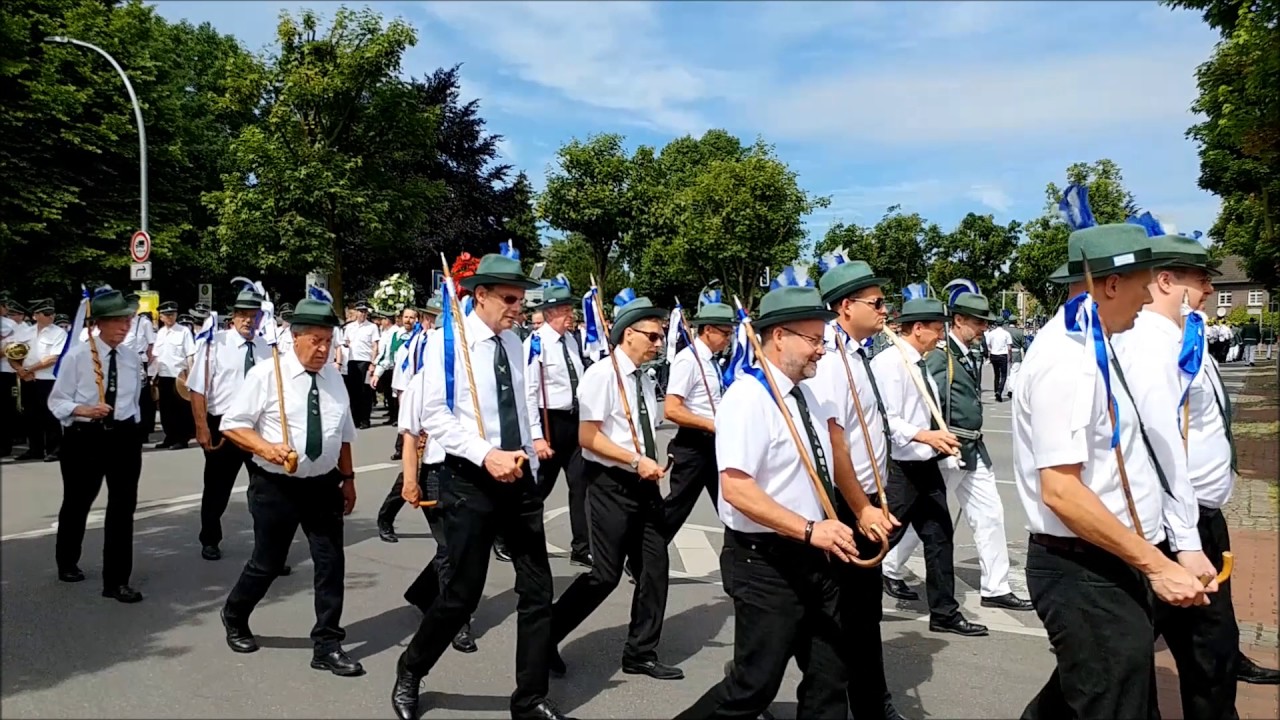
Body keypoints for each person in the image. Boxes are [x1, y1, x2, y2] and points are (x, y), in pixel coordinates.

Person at [1017, 222, 1212, 718]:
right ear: (1110, 284)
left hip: (1110, 560)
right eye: (1144, 283)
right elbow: (1061, 491)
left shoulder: (1098, 347)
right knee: (1116, 703)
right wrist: (1157, 563)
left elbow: (1139, 456)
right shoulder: (1066, 359)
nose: (1149, 298)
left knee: (1089, 699)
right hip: (1084, 570)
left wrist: (1173, 544)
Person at [677, 282, 877, 719]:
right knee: (753, 686)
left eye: (823, 341)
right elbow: (736, 488)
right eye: (813, 340)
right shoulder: (748, 398)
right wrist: (809, 529)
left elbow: (834, 458)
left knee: (830, 676)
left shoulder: (807, 394)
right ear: (779, 336)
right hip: (766, 562)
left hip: (818, 556)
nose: (821, 350)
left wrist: (861, 508)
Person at [392, 249, 571, 720]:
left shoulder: (515, 343)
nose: (519, 308)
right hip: (469, 479)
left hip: (518, 479)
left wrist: (531, 447)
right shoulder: (446, 344)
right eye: (510, 299)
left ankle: (529, 699)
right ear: (481, 295)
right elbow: (435, 417)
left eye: (522, 299)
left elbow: (524, 402)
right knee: (461, 594)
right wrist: (485, 454)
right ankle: (411, 669)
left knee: (537, 591)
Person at [1113, 233, 1263, 715]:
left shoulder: (1183, 340)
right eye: (1200, 281)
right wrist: (1185, 540)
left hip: (1198, 517)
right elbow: (1159, 446)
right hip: (1178, 521)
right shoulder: (1152, 350)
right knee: (1206, 653)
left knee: (1200, 651)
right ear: (1165, 281)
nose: (1208, 291)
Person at [217, 297, 362, 677]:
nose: (322, 349)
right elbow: (232, 424)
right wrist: (267, 447)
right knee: (267, 563)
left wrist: (348, 479)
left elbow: (342, 434)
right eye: (315, 340)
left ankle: (327, 643)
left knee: (331, 563)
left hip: (324, 486)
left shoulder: (334, 379)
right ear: (293, 338)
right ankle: (235, 614)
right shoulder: (267, 376)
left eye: (328, 341)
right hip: (276, 485)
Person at [548, 291, 682, 681]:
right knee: (603, 576)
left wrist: (652, 460)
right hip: (611, 484)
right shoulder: (602, 375)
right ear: (627, 335)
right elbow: (589, 438)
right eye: (652, 336)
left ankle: (641, 652)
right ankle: (547, 635)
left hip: (645, 485)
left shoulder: (645, 378)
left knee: (655, 569)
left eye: (661, 337)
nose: (659, 344)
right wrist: (634, 460)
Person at [882, 292, 1033, 612]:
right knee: (925, 516)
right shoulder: (938, 356)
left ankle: (996, 586)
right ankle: (889, 566)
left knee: (988, 513)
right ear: (959, 321)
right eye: (977, 322)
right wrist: (933, 438)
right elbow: (925, 402)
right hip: (946, 448)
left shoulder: (971, 351)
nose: (983, 329)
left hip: (971, 448)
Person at [807, 259, 906, 719]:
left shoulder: (857, 353)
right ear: (846, 306)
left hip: (868, 499)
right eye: (877, 302)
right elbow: (836, 445)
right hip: (848, 508)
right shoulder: (828, 360)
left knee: (862, 615)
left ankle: (869, 703)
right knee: (841, 617)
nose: (885, 309)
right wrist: (862, 507)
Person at [871, 296, 987, 637]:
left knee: (939, 538)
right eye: (937, 330)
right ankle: (841, 598)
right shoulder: (890, 364)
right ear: (918, 328)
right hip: (900, 468)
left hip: (925, 465)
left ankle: (944, 613)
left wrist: (940, 441)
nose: (940, 336)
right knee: (880, 540)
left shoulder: (920, 362)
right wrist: (925, 436)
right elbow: (886, 420)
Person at [47, 288, 145, 602]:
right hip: (85, 437)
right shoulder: (78, 356)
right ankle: (67, 560)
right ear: (100, 323)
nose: (124, 326)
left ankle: (116, 581)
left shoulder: (130, 357)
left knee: (123, 507)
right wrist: (83, 410)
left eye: (127, 320)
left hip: (124, 437)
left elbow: (133, 399)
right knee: (78, 502)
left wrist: (132, 426)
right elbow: (57, 401)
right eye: (117, 320)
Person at [185, 288, 275, 562]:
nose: (248, 321)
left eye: (253, 315)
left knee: (266, 490)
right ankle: (210, 538)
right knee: (217, 488)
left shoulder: (265, 348)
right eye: (243, 315)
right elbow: (197, 389)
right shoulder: (215, 345)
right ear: (233, 317)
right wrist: (201, 427)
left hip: (257, 426)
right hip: (223, 425)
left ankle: (268, 549)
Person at [523, 283, 590, 566]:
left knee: (581, 484)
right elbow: (528, 393)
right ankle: (511, 535)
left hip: (574, 421)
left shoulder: (572, 341)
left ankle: (582, 547)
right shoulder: (535, 343)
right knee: (538, 489)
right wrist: (537, 436)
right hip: (549, 421)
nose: (570, 315)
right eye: (564, 310)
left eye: (571, 309)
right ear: (549, 313)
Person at [662, 290, 734, 535]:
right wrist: (710, 425)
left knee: (731, 505)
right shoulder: (689, 360)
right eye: (725, 333)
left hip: (715, 443)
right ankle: (643, 558)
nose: (729, 339)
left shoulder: (712, 360)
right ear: (709, 330)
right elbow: (671, 409)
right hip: (695, 443)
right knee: (675, 508)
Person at [18, 298, 68, 462]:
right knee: (30, 415)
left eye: (52, 313)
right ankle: (35, 449)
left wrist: (28, 369)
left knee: (50, 415)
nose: (51, 317)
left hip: (48, 378)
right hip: (28, 378)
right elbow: (13, 352)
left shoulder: (58, 332)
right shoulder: (25, 332)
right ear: (35, 316)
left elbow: (53, 358)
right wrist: (20, 370)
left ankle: (55, 449)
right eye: (46, 314)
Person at [152, 300, 196, 450]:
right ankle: (169, 436)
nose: (170, 317)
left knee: (180, 409)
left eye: (172, 314)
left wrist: (191, 376)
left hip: (179, 376)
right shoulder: (161, 333)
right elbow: (156, 356)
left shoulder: (183, 331)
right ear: (161, 317)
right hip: (163, 375)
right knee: (165, 410)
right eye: (166, 315)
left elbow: (190, 355)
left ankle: (181, 439)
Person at [342, 301, 378, 428]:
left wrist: (373, 363)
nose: (362, 314)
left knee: (365, 391)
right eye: (360, 311)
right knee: (353, 391)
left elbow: (375, 346)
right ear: (356, 312)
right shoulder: (350, 327)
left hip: (365, 361)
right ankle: (355, 419)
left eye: (364, 311)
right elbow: (346, 342)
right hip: (352, 361)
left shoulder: (372, 327)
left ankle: (365, 419)